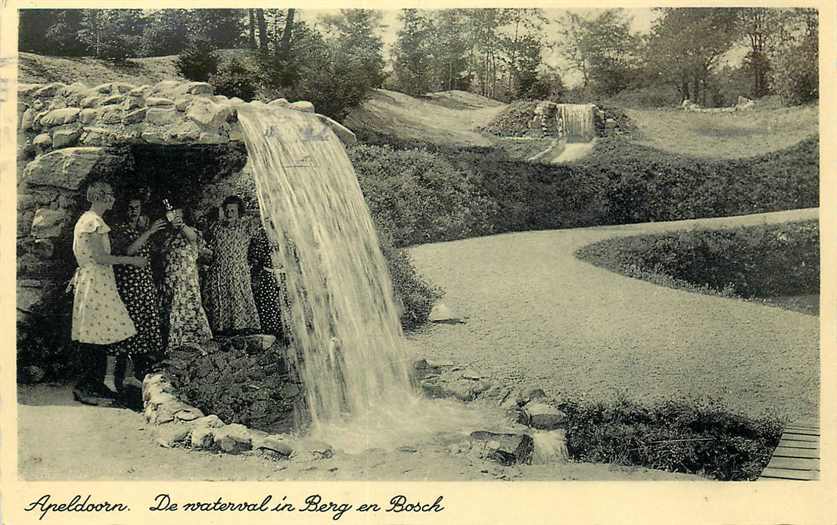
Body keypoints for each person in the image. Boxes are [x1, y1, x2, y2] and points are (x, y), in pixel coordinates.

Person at [70, 181, 146, 401]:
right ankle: (92, 384)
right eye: (111, 195)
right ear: (101, 197)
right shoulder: (92, 221)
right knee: (101, 329)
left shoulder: (91, 220)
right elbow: (100, 257)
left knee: (103, 329)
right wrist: (131, 261)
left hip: (98, 279)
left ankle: (102, 382)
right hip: (96, 280)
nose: (113, 199)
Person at [111, 196, 167, 387]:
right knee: (130, 332)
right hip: (129, 288)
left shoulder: (140, 230)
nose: (133, 211)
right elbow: (128, 251)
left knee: (144, 330)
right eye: (129, 208)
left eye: (136, 207)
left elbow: (156, 252)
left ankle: (134, 374)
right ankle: (123, 376)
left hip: (144, 286)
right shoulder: (120, 230)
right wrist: (149, 232)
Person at [204, 195, 261, 335]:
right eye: (227, 210)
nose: (229, 213)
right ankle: (223, 329)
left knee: (238, 296)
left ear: (239, 212)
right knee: (221, 298)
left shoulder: (246, 227)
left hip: (237, 269)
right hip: (219, 269)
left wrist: (248, 213)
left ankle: (241, 328)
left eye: (233, 211)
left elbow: (262, 215)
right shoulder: (216, 227)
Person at [160, 207, 214, 352]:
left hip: (187, 282)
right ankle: (174, 345)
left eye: (178, 215)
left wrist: (181, 225)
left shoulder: (192, 232)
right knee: (171, 310)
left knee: (189, 309)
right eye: (173, 216)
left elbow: (193, 238)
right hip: (170, 281)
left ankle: (195, 345)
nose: (175, 218)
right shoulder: (168, 235)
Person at [248, 227, 287, 341]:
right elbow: (256, 256)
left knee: (282, 302)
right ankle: (271, 330)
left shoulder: (286, 239)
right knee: (268, 302)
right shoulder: (264, 238)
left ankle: (282, 330)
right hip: (269, 274)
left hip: (281, 273)